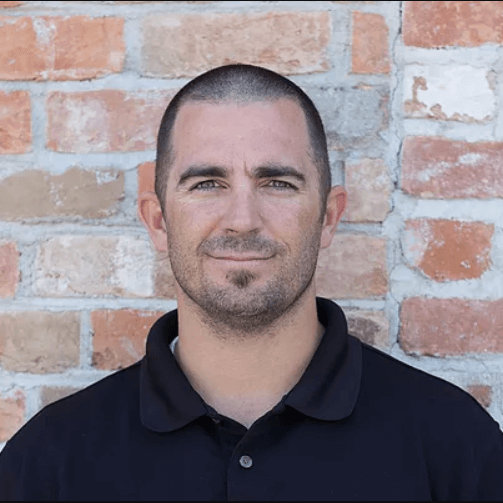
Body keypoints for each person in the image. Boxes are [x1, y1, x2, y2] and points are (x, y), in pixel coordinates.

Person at [0, 63, 502, 501]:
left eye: (277, 183)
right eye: (207, 184)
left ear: (329, 217)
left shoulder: (454, 447)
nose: (242, 220)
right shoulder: (48, 463)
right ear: (158, 221)